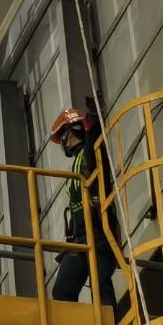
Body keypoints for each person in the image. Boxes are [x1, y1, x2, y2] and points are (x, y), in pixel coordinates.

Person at [50, 103, 116, 307]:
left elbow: (94, 148)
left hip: (98, 233)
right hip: (80, 237)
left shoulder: (90, 153)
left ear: (70, 133)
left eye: (63, 136)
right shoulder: (78, 163)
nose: (63, 141)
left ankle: (109, 324)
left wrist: (92, 125)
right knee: (62, 290)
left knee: (101, 286)